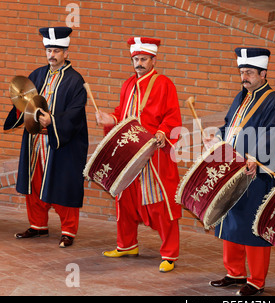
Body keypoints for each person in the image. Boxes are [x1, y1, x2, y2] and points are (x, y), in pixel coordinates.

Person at [96, 37, 182, 273]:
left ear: (153, 59)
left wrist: (164, 132)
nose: (139, 63)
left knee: (159, 204)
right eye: (136, 59)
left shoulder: (164, 84)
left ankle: (169, 254)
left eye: (144, 59)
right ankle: (126, 245)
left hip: (154, 153)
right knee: (124, 199)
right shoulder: (127, 85)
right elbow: (121, 113)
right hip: (128, 153)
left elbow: (172, 115)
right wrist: (110, 119)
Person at [208, 47, 275, 296]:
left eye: (249, 72)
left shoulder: (274, 100)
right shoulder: (241, 96)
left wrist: (255, 158)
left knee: (253, 226)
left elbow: (272, 135)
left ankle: (256, 279)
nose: (245, 76)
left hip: (256, 173)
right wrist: (216, 137)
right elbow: (230, 126)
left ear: (263, 73)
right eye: (242, 71)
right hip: (233, 168)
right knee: (230, 221)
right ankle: (235, 272)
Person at [4, 27, 88, 248]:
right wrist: (20, 106)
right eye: (49, 50)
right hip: (34, 141)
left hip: (61, 142)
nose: (52, 55)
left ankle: (68, 231)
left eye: (57, 51)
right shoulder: (37, 74)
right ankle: (38, 225)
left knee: (62, 184)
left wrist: (54, 122)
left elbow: (76, 112)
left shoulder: (75, 81)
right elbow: (25, 102)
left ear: (66, 53)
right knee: (35, 182)